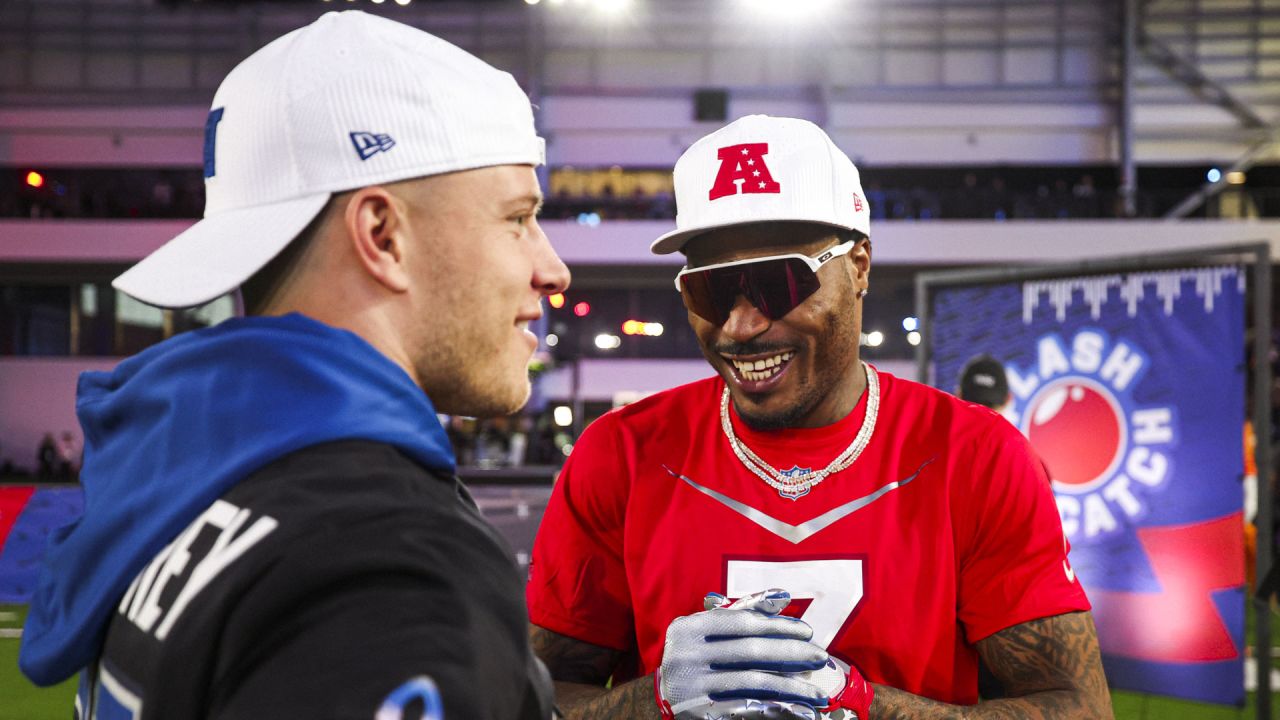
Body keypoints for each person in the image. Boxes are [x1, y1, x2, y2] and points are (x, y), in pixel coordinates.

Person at [20, 11, 568, 720]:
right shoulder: (387, 568)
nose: (551, 268)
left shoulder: (183, 483)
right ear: (382, 235)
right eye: (517, 218)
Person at [526, 115, 1111, 719]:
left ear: (858, 267)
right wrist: (655, 704)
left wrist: (866, 708)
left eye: (778, 284)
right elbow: (528, 700)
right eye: (710, 290)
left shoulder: (976, 454)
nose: (741, 326)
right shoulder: (621, 455)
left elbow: (1077, 709)